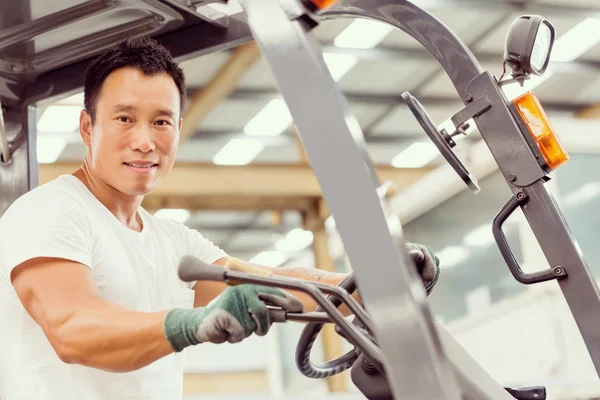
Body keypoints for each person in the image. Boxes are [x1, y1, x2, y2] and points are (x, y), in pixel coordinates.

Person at [0, 37, 441, 399]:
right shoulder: (50, 212)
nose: (144, 141)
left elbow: (283, 285)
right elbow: (72, 329)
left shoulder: (172, 241)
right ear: (86, 128)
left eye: (161, 122)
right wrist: (190, 324)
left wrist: (376, 282)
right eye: (124, 118)